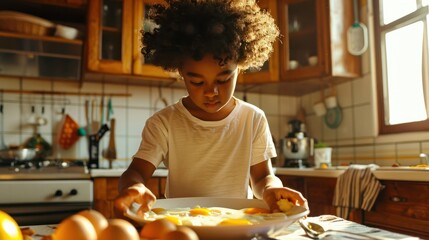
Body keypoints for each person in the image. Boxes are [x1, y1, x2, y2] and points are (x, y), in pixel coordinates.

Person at [114, 0, 308, 217]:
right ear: (180, 71)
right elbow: (136, 173)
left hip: (237, 224)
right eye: (197, 82)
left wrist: (272, 189)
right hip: (183, 226)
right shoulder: (163, 122)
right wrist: (135, 187)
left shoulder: (253, 119)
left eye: (224, 79)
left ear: (241, 65)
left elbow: (262, 178)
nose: (211, 92)